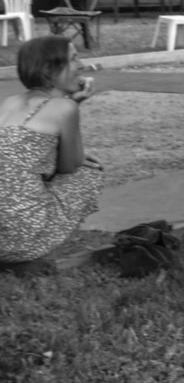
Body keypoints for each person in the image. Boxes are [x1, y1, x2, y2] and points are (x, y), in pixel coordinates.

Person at [0, 37, 102, 263]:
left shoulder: (7, 103)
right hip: (19, 243)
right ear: (49, 69)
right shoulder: (65, 107)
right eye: (74, 59)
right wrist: (75, 104)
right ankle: (46, 238)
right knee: (90, 171)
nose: (82, 65)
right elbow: (69, 167)